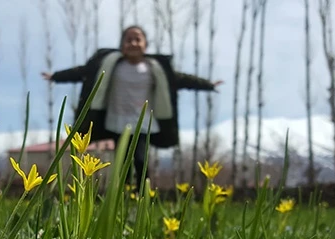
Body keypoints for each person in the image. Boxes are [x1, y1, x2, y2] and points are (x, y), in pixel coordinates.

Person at [42, 25, 223, 189]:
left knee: (140, 159)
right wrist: (55, 76)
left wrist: (209, 85)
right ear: (122, 45)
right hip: (116, 120)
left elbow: (183, 79)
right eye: (129, 40)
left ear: (145, 45)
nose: (133, 43)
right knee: (122, 161)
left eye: (138, 39)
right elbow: (81, 72)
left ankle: (142, 194)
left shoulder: (155, 68)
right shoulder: (110, 64)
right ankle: (123, 194)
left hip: (142, 123)